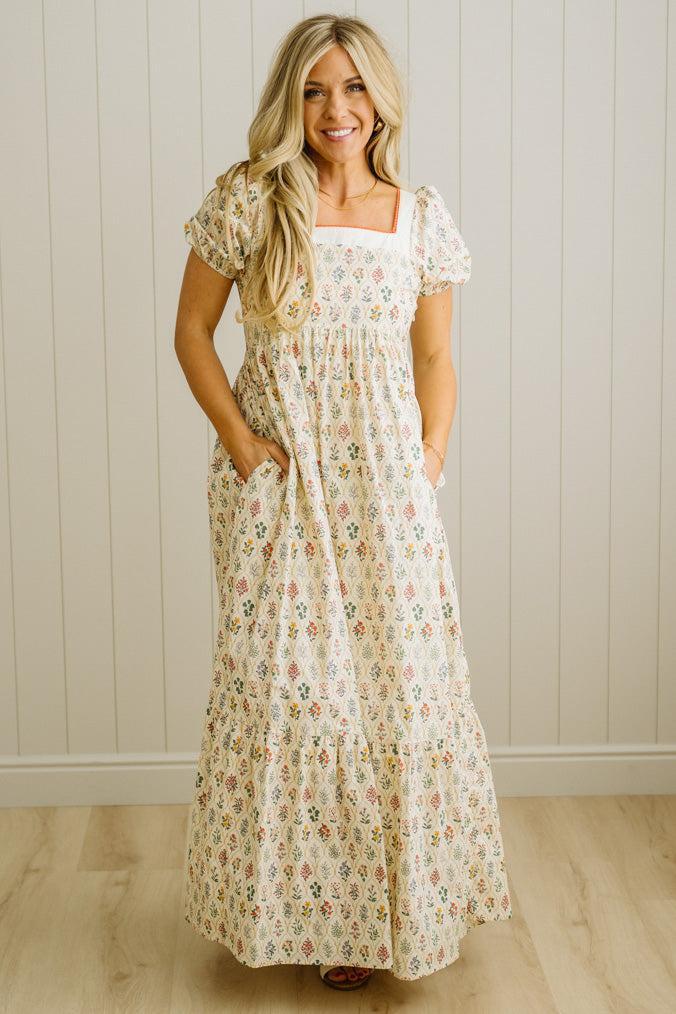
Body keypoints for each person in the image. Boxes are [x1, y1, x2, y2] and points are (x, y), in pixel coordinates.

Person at [175, 12, 512, 991]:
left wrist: (427, 461)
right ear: (292, 101)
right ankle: (301, 909)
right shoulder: (249, 202)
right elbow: (192, 332)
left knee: (393, 696)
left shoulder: (418, 217)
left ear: (380, 100)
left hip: (387, 499)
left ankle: (378, 921)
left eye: (354, 87)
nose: (336, 109)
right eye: (315, 89)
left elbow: (436, 357)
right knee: (294, 694)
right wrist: (245, 451)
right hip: (282, 491)